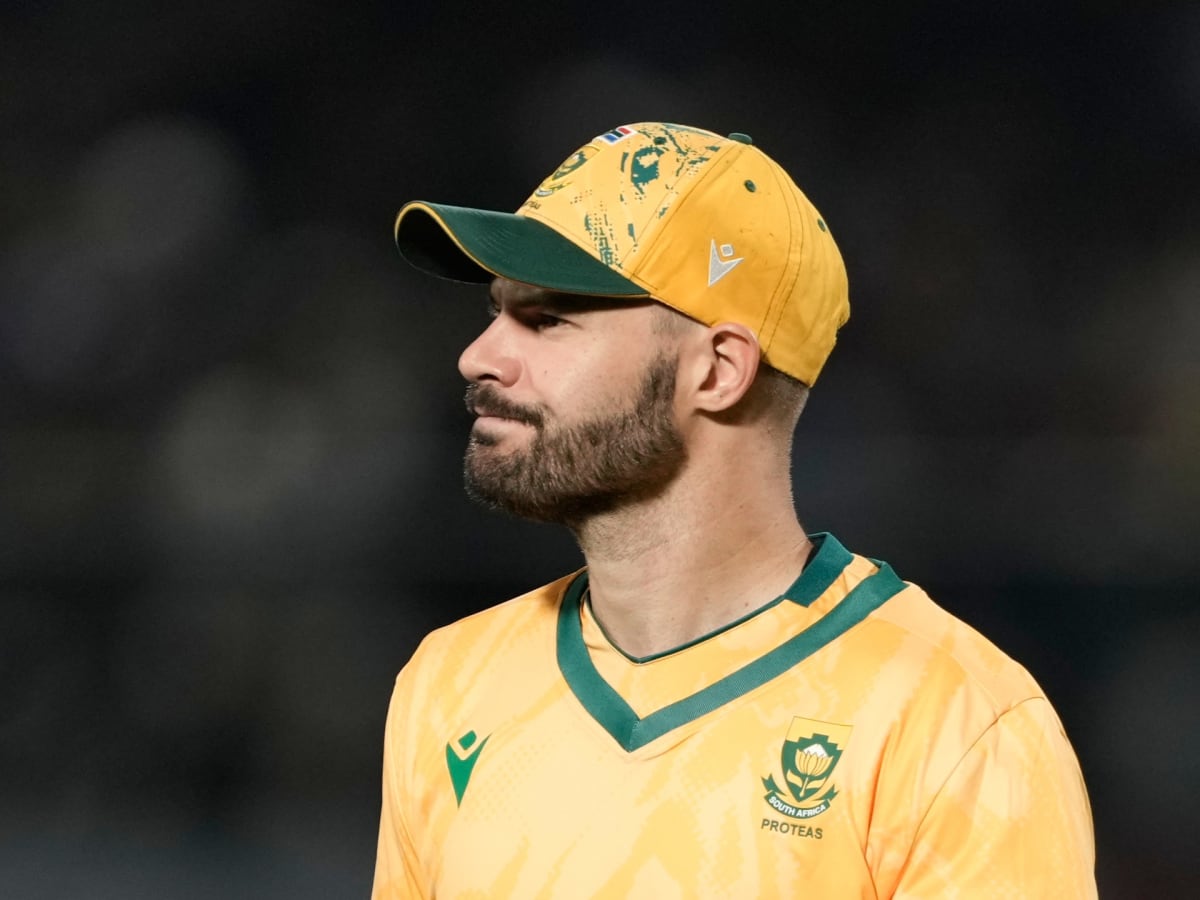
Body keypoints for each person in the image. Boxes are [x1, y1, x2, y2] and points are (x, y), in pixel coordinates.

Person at [373, 122, 1096, 898]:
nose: (479, 356)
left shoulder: (953, 719)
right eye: (494, 310)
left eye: (546, 319)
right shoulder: (449, 683)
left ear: (718, 371)